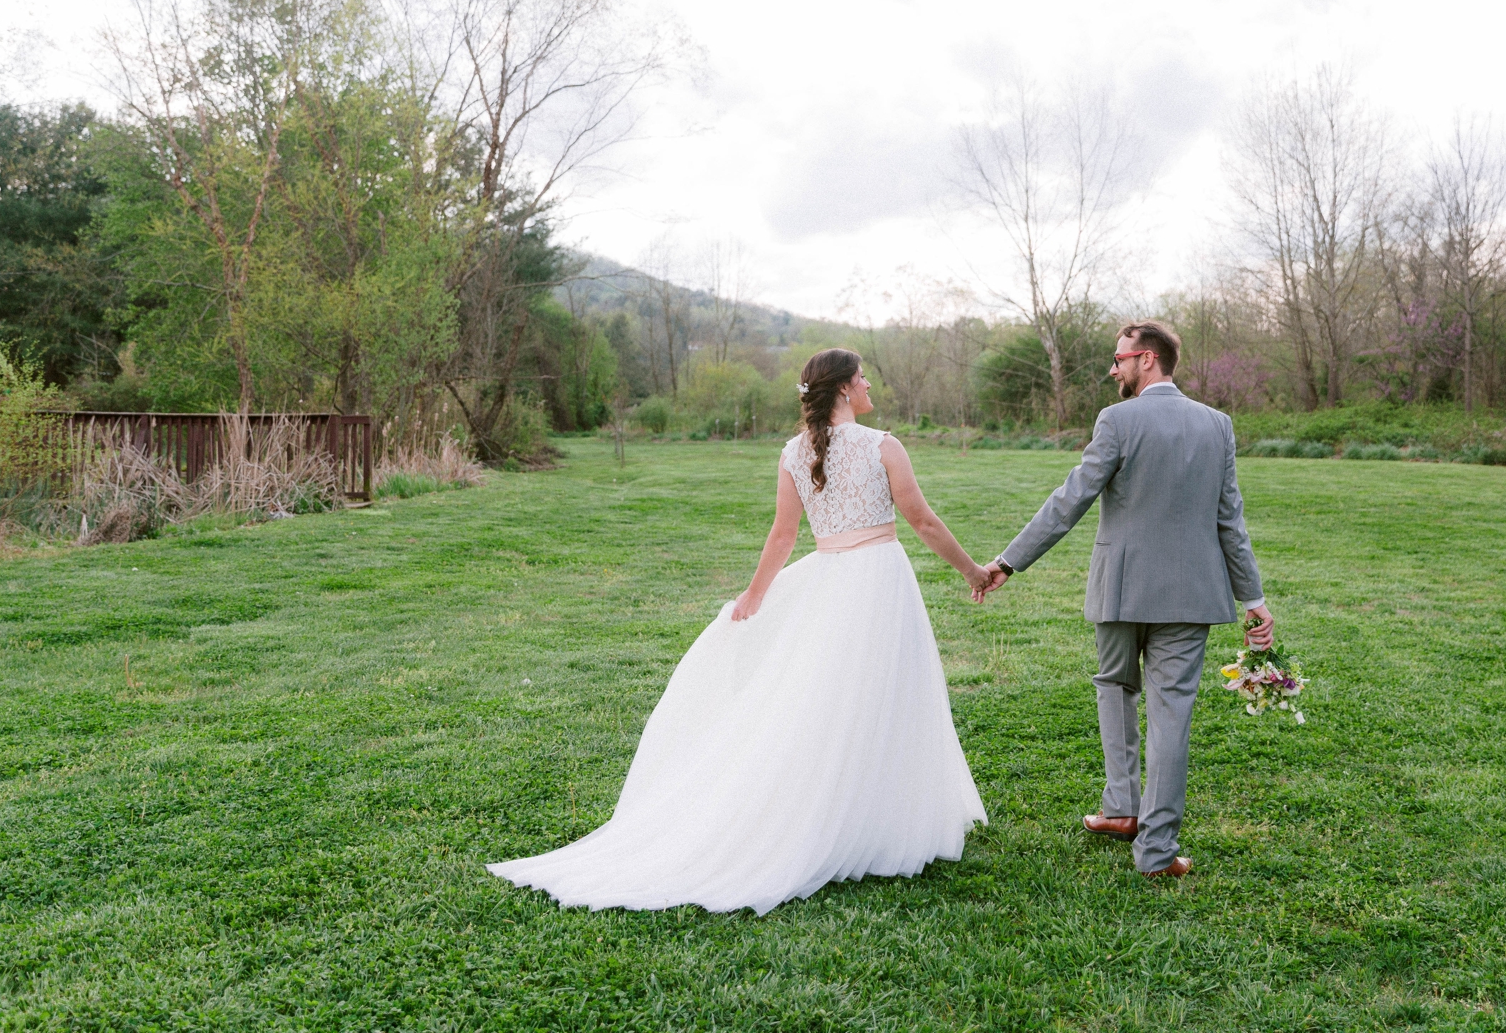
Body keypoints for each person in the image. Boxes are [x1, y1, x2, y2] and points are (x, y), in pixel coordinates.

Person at [488, 348, 993, 914]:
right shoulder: (883, 446)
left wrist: (756, 596)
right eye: (863, 377)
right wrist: (974, 572)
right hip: (876, 580)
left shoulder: (794, 453)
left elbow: (783, 536)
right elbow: (920, 520)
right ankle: (871, 818)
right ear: (846, 390)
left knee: (831, 699)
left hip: (831, 581)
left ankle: (859, 810)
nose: (870, 383)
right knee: (882, 693)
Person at [978, 319, 1273, 879]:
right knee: (1170, 715)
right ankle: (1147, 841)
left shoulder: (1118, 420)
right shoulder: (1218, 426)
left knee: (1115, 689)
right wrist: (1252, 598)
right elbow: (1229, 522)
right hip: (1191, 595)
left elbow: (1070, 500)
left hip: (1120, 589)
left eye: (1119, 359)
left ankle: (1122, 808)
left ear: (1147, 360)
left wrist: (1008, 562)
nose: (1112, 369)